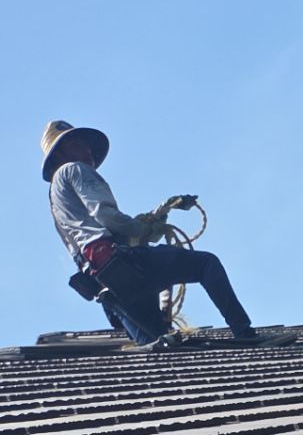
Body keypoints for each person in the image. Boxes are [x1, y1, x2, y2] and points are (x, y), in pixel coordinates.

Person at [41, 119, 260, 346]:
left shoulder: (57, 200)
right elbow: (108, 217)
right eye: (75, 144)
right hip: (119, 263)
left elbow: (116, 233)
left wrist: (159, 214)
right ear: (58, 156)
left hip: (107, 282)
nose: (86, 150)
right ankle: (243, 331)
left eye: (86, 144)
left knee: (160, 347)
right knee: (206, 264)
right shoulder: (74, 169)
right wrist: (147, 229)